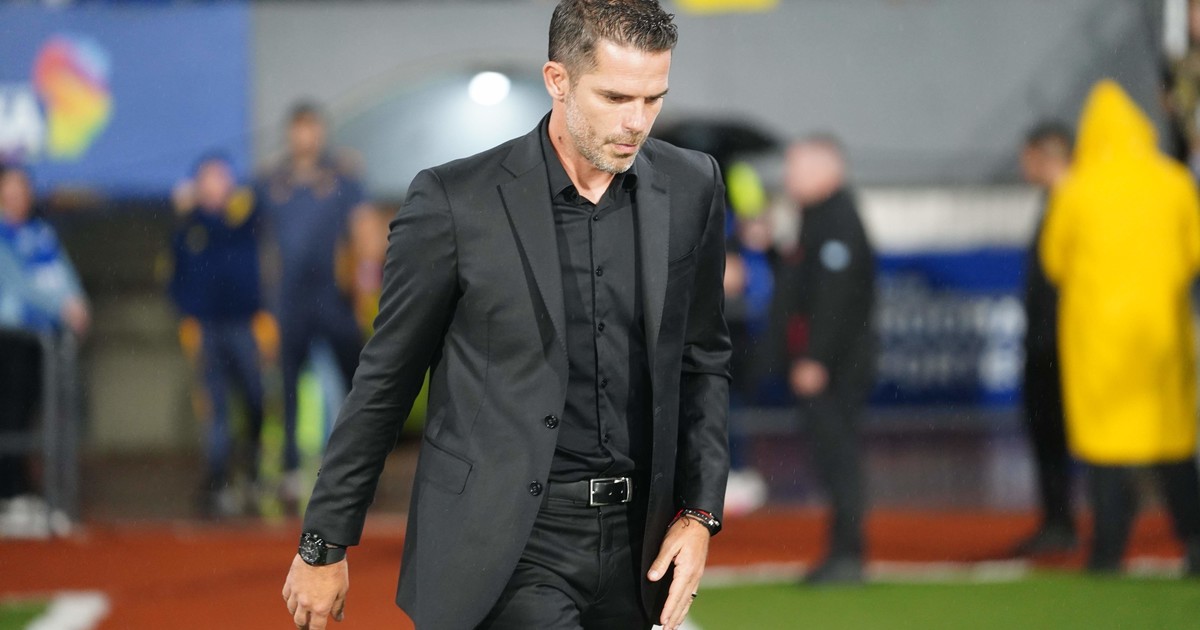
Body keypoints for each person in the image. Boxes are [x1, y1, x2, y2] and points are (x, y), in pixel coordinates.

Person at [281, 1, 731, 629]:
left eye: (653, 99)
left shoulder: (692, 186)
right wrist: (323, 541)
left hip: (639, 552)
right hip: (505, 546)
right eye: (615, 97)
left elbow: (702, 359)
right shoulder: (453, 202)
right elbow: (386, 378)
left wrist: (700, 513)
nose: (637, 122)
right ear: (557, 80)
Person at [1040, 79, 1200, 574]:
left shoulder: (1077, 189)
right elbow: (1194, 251)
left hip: (1098, 341)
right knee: (1172, 446)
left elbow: (1054, 261)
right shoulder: (1173, 181)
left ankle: (1107, 552)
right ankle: (1195, 541)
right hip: (1160, 334)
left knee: (1106, 452)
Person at [765, 136, 876, 585]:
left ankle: (848, 554)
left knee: (839, 457)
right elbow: (802, 282)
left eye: (796, 168)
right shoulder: (814, 218)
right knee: (831, 457)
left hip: (837, 366)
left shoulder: (837, 220)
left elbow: (834, 297)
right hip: (827, 362)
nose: (788, 177)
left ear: (827, 170)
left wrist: (815, 358)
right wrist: (771, 248)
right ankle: (842, 551)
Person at [255, 102, 372, 510]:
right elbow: (257, 241)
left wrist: (365, 290)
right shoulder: (272, 183)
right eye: (299, 129)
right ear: (290, 133)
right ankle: (290, 470)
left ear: (321, 132)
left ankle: (359, 470)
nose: (306, 137)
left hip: (334, 299)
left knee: (358, 384)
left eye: (312, 128)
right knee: (287, 386)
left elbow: (365, 232)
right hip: (290, 302)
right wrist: (264, 304)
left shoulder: (343, 177)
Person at [168, 153, 271, 518]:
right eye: (208, 178)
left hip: (244, 325)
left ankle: (253, 472)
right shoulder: (188, 228)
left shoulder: (244, 219)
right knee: (216, 409)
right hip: (207, 328)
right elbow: (175, 279)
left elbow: (265, 194)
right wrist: (189, 318)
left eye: (222, 177)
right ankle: (217, 481)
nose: (216, 185)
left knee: (256, 399)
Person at [0, 164, 88, 535]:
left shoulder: (39, 233)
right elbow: (18, 282)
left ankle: (29, 491)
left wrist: (78, 303)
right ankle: (9, 493)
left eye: (21, 188)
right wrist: (61, 308)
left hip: (42, 340)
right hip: (11, 337)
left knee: (35, 414)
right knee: (9, 414)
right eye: (9, 188)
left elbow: (61, 273)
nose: (15, 195)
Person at [1010, 122, 1077, 556]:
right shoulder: (1053, 200)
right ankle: (1057, 521)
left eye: (1027, 157)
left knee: (1063, 433)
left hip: (1063, 342)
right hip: (1046, 339)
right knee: (1046, 432)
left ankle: (1088, 526)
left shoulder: (1074, 201)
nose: (1023, 166)